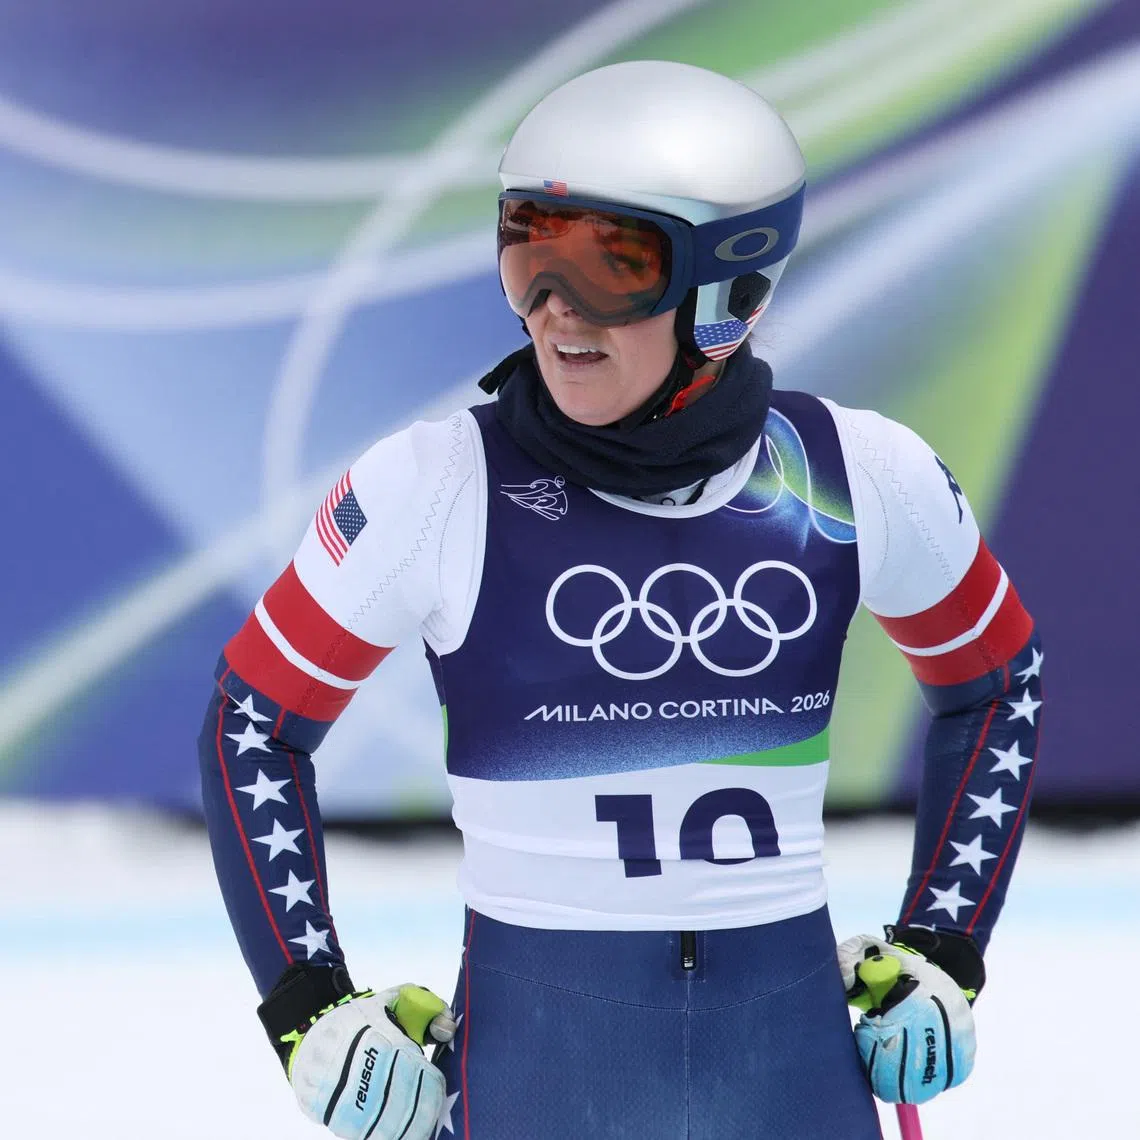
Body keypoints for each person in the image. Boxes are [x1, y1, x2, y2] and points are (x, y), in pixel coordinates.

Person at [198, 60, 1043, 1140]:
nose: (556, 310)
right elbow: (252, 723)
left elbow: (999, 686)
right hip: (538, 1083)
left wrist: (944, 948)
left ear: (731, 293)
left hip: (788, 1080)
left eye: (614, 264)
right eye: (529, 251)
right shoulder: (433, 486)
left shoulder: (856, 474)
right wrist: (307, 1007)